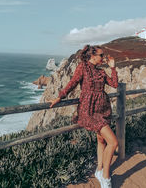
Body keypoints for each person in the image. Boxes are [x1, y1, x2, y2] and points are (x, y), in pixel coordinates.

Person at [50, 45, 118, 188]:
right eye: (101, 55)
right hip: (89, 111)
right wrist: (59, 97)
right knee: (113, 142)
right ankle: (106, 177)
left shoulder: (101, 71)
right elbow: (73, 83)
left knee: (102, 141)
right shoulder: (83, 67)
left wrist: (112, 67)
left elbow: (114, 84)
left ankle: (99, 169)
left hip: (103, 109)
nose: (103, 57)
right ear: (92, 56)